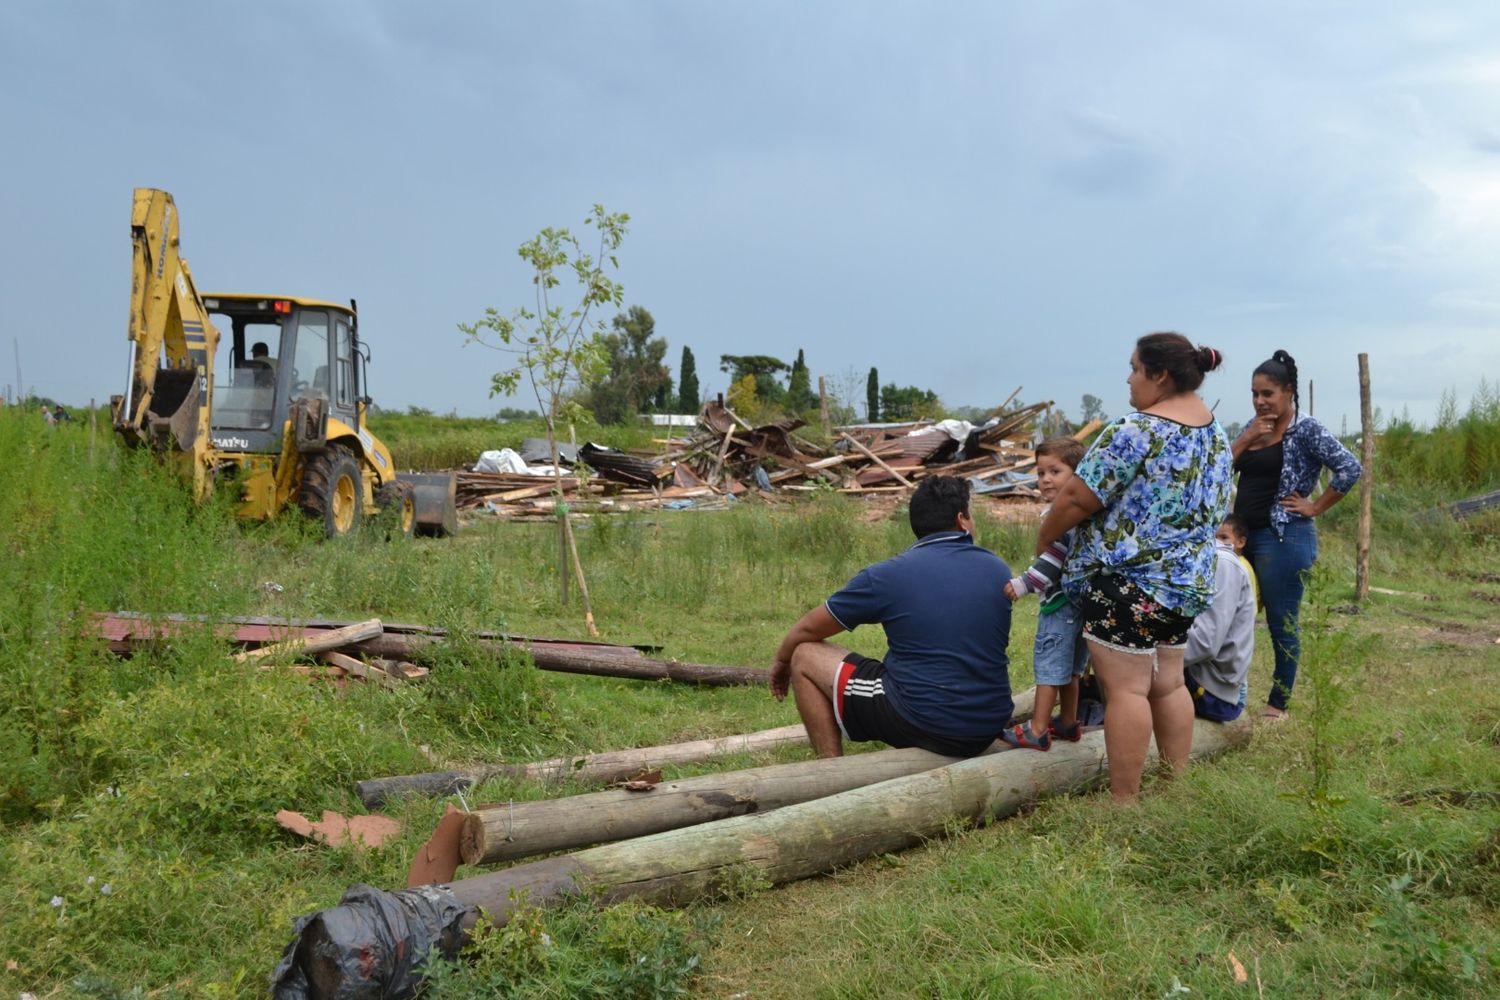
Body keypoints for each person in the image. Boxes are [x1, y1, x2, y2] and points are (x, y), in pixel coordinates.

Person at [1036, 332, 1232, 803]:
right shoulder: (1214, 431)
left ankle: (1125, 803)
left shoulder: (1137, 430)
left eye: (1134, 368)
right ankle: (1174, 784)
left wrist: (1045, 540)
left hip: (1130, 584)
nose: (1128, 379)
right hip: (1185, 583)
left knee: (1124, 691)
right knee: (1166, 684)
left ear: (1159, 375)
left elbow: (1078, 497)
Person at [769, 475, 1014, 758]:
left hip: (925, 722)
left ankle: (830, 771)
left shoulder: (887, 575)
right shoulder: (998, 569)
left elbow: (807, 629)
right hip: (988, 722)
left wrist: (782, 660)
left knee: (804, 654)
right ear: (962, 520)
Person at [1231, 350, 1362, 721]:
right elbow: (1219, 468)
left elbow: (1350, 468)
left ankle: (1278, 704)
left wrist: (1316, 506)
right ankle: (1225, 697)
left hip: (1283, 539)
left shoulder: (1306, 429)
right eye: (1255, 393)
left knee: (1281, 622)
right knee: (1231, 617)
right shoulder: (1252, 426)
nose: (1260, 401)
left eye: (1268, 394)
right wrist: (1247, 437)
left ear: (1289, 392)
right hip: (1240, 538)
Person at [1001, 436, 1090, 750]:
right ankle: (1067, 721)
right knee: (1073, 669)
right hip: (1081, 605)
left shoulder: (1062, 514)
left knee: (1050, 666)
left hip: (1059, 604)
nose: (1046, 479)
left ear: (1077, 476)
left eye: (1055, 471)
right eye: (1041, 473)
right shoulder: (1082, 511)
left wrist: (1023, 584)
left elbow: (1054, 558)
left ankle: (1038, 729)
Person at [1183, 517, 1258, 723]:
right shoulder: (1205, 556)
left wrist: (1152, 661)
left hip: (1216, 694)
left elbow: (1206, 642)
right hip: (1208, 679)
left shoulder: (1222, 563)